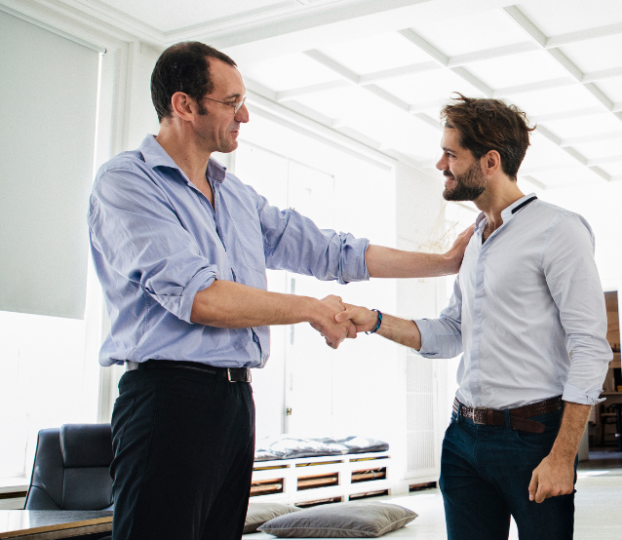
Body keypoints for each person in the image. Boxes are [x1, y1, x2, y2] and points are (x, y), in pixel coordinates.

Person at [88, 42, 470, 540]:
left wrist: (441, 264)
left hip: (234, 402)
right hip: (167, 400)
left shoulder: (236, 195)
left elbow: (333, 252)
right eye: (231, 102)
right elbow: (202, 297)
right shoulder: (127, 182)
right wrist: (311, 310)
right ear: (184, 105)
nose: (244, 114)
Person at [335, 94, 611, 540]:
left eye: (451, 154)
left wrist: (562, 455)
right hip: (463, 439)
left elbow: (590, 347)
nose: (440, 164)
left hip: (533, 438)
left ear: (490, 161)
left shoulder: (559, 230)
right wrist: (375, 320)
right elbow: (452, 333)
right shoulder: (475, 241)